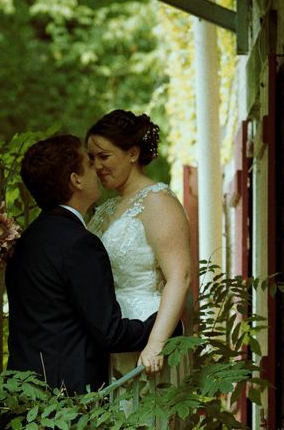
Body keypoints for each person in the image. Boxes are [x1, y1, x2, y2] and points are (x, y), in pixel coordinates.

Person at [6, 134, 157, 395]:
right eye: (89, 164)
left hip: (23, 393)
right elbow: (111, 333)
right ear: (75, 180)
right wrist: (164, 323)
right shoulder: (80, 244)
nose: (97, 169)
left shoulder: (27, 239)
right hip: (66, 398)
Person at [86, 109, 192, 380]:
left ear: (132, 154)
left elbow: (180, 276)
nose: (96, 166)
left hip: (147, 336)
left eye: (104, 156)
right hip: (111, 337)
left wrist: (156, 343)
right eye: (91, 158)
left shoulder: (158, 201)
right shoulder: (106, 209)